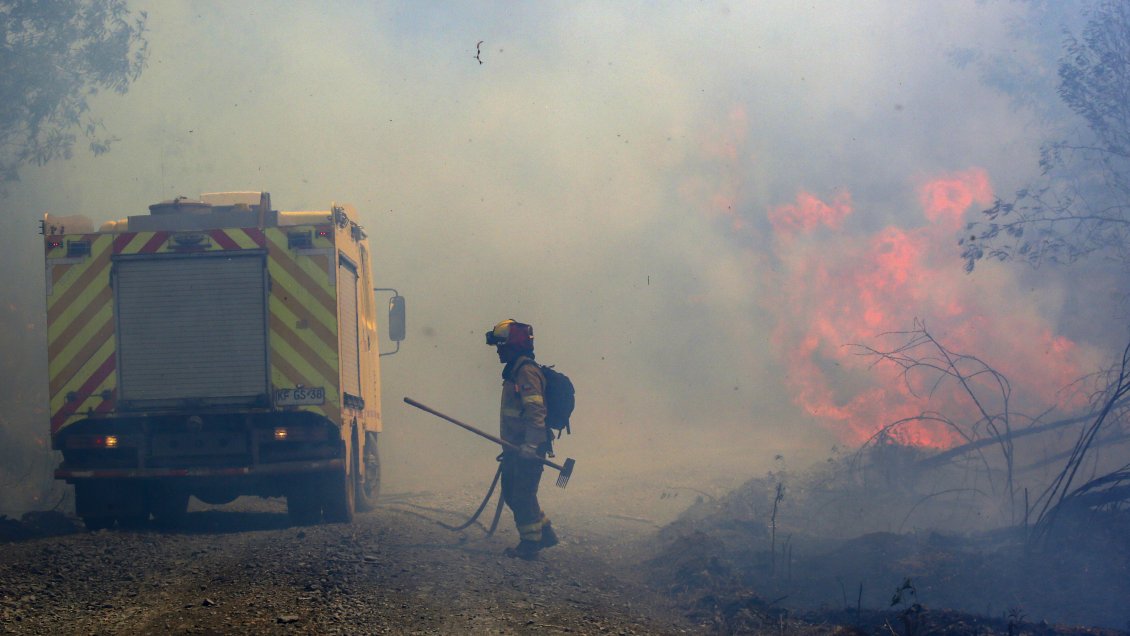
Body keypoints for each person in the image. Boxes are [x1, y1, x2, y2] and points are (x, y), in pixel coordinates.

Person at [485, 319, 559, 559]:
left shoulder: (526, 372)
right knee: (514, 491)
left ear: (514, 345)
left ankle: (530, 545)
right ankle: (545, 531)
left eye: (501, 346)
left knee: (522, 496)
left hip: (527, 447)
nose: (498, 350)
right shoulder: (516, 370)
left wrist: (531, 444)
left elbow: (536, 410)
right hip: (515, 447)